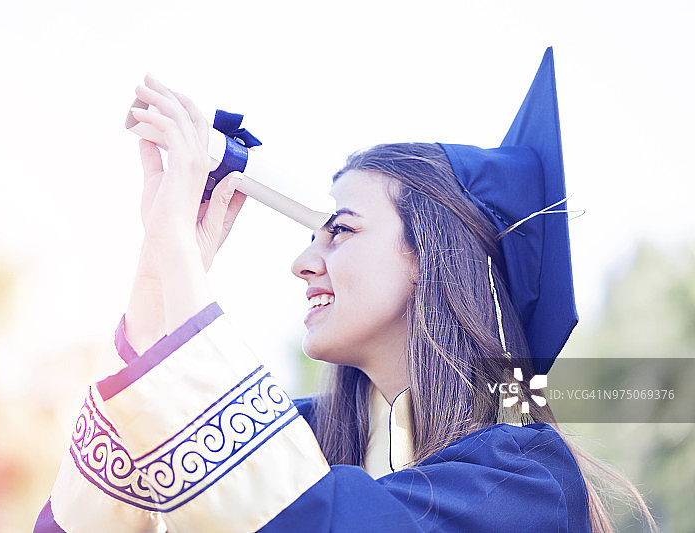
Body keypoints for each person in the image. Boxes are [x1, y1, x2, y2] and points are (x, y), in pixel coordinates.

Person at [34, 49, 655, 532]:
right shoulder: (310, 440)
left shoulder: (522, 485)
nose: (304, 263)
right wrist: (160, 265)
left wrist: (176, 253)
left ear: (430, 261)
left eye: (341, 232)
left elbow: (313, 520)